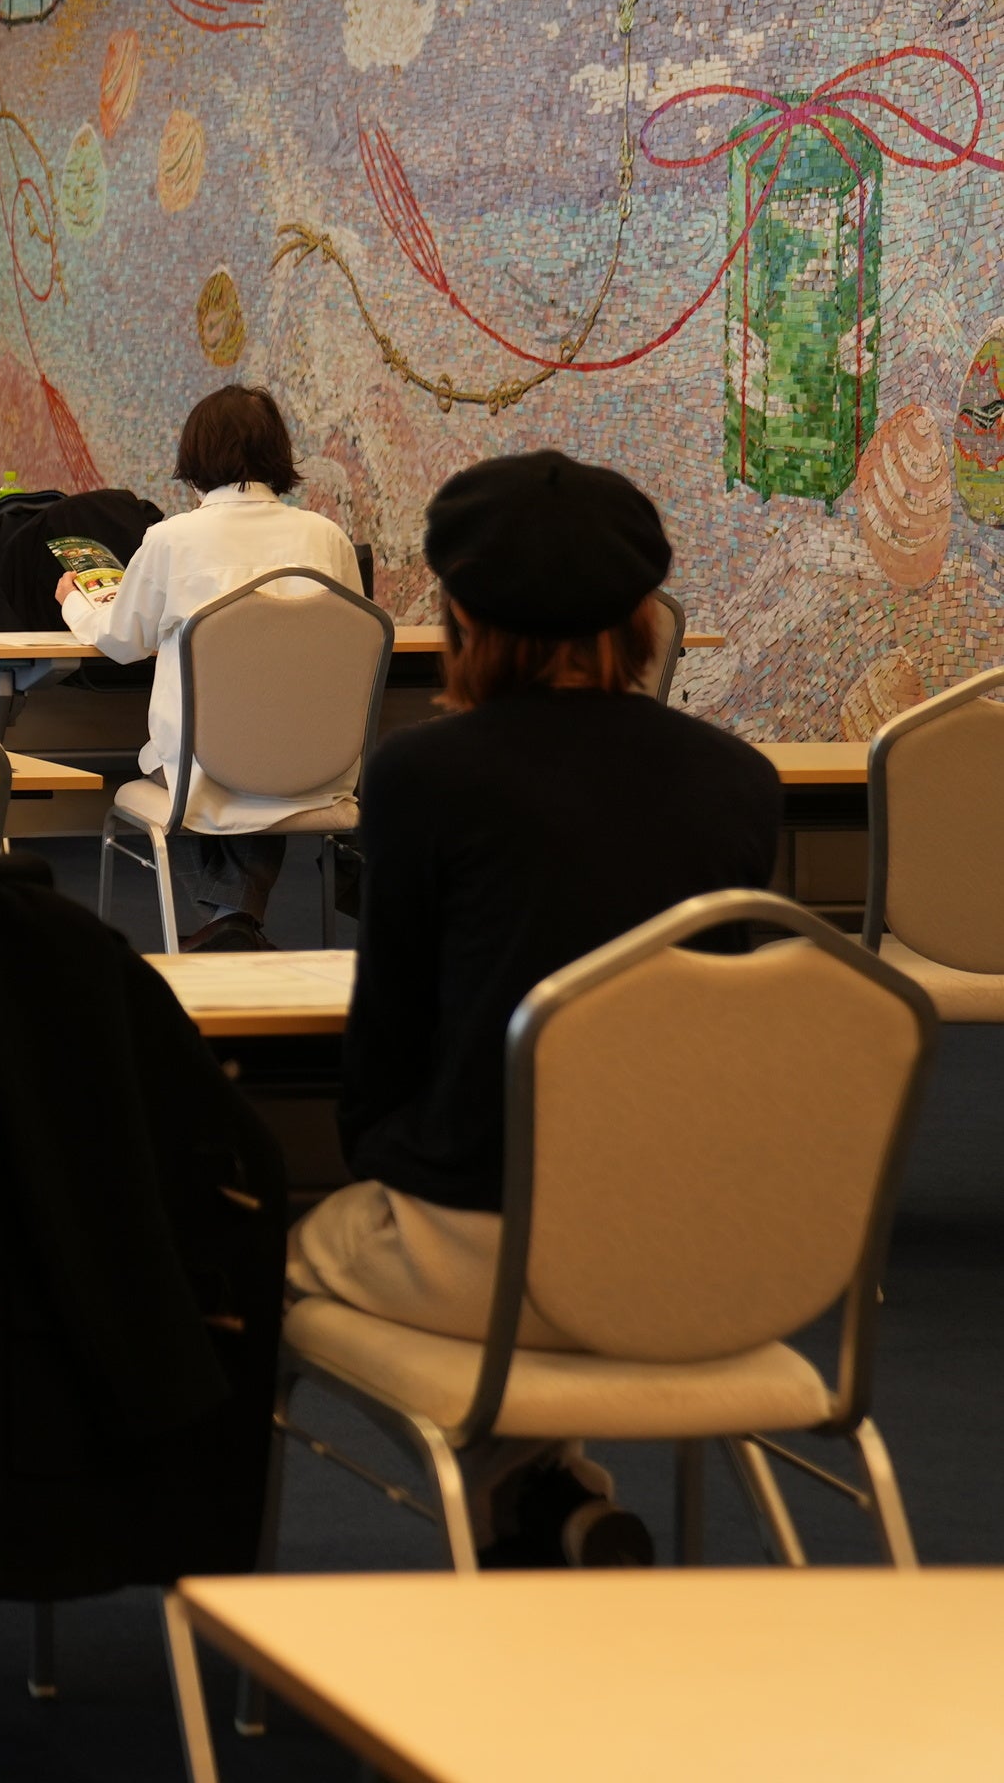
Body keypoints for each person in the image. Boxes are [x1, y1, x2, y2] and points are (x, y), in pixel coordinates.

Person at [293, 449, 777, 1567]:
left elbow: (387, 1051)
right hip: (703, 1254)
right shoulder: (741, 781)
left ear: (461, 617)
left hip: (486, 1253)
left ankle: (499, 1498)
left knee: (269, 1254)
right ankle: (544, 1499)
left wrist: (382, 1160)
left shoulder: (424, 776)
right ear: (645, 618)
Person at [55, 385, 367, 947]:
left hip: (205, 775)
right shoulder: (329, 538)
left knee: (208, 765)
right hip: (319, 772)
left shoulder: (171, 540)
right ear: (278, 453)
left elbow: (122, 642)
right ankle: (235, 921)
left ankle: (230, 922)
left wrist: (76, 601)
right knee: (262, 753)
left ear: (194, 456)